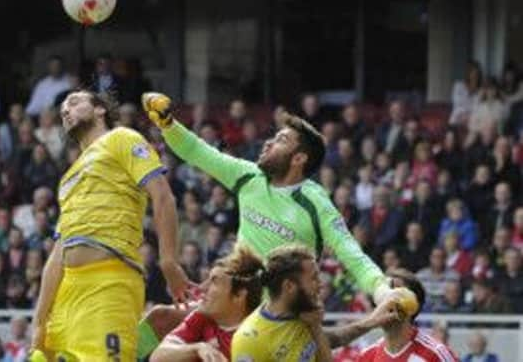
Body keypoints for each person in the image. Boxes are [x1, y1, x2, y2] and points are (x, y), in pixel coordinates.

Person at [139, 92, 413, 357]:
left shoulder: (315, 202)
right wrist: (168, 124)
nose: (269, 143)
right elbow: (197, 151)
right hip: (236, 298)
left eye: (281, 140)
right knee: (160, 319)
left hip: (280, 311)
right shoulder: (250, 177)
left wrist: (382, 290)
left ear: (299, 158)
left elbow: (351, 254)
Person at [29, 90, 191, 361]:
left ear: (100, 109)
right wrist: (39, 320)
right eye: (63, 110)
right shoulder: (68, 177)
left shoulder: (121, 138)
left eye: (75, 102)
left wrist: (168, 262)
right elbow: (59, 251)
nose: (66, 111)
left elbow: (163, 196)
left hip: (109, 284)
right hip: (67, 296)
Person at [230, 245, 410, 362]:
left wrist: (373, 321)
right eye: (314, 278)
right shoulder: (249, 340)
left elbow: (331, 339)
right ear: (289, 286)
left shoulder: (300, 315)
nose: (321, 284)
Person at [358, 269, 458, 362]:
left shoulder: (436, 354)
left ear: (414, 307)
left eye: (395, 291)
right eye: (384, 292)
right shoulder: (367, 356)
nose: (386, 299)